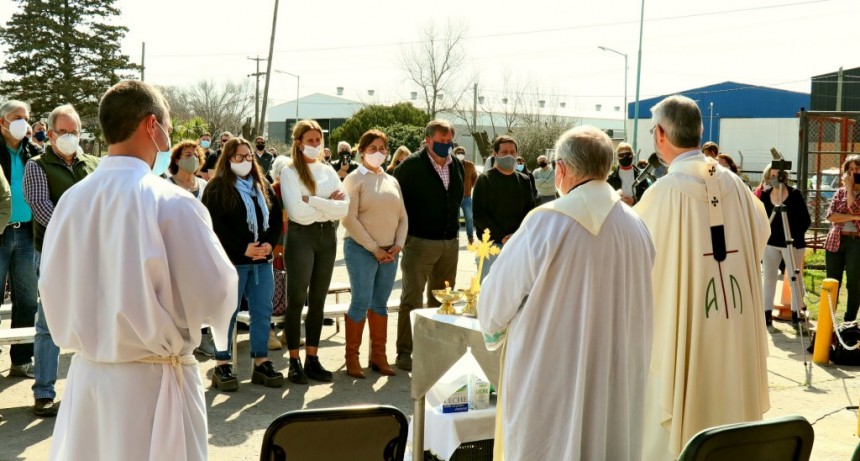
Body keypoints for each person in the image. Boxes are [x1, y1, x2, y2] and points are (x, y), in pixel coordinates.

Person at [39, 80, 237, 461]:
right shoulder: (171, 202)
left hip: (89, 383)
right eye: (167, 125)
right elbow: (217, 293)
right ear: (152, 126)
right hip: (153, 384)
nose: (170, 136)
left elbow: (52, 287)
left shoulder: (71, 201)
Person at [478, 126, 655, 460]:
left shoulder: (545, 223)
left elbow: (493, 308)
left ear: (560, 169)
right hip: (616, 378)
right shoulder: (637, 225)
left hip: (551, 377)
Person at [635, 95, 770, 460]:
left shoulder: (662, 194)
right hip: (734, 320)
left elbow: (637, 266)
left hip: (684, 327)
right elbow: (761, 233)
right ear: (699, 132)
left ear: (660, 134)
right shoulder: (737, 186)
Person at [23, 104, 99, 417]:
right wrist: (76, 235)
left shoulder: (94, 164)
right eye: (63, 132)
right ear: (50, 134)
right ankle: (44, 391)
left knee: (95, 320)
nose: (69, 137)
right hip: (54, 254)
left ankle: (92, 391)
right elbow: (41, 207)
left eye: (74, 132)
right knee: (49, 323)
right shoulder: (37, 165)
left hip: (93, 256)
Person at [203, 137, 284, 391]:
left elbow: (275, 219)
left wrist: (269, 245)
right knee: (227, 313)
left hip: (262, 262)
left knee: (262, 312)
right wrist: (242, 248)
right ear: (228, 159)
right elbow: (213, 227)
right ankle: (222, 364)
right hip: (232, 263)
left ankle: (261, 362)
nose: (245, 161)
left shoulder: (263, 187)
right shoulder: (216, 188)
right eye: (239, 157)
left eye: (249, 156)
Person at [392, 119, 464, 371]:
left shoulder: (457, 165)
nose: (446, 146)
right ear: (427, 141)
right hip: (419, 242)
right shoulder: (409, 167)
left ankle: (435, 348)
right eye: (441, 141)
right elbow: (397, 206)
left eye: (449, 141)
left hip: (449, 242)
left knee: (443, 299)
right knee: (412, 298)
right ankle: (405, 352)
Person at [280, 120, 349, 383]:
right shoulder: (290, 172)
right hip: (301, 237)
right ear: (298, 142)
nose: (316, 145)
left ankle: (312, 358)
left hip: (327, 236)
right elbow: (298, 213)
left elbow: (343, 208)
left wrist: (314, 202)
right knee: (297, 299)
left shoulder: (328, 170)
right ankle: (294, 361)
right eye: (310, 140)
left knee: (319, 300)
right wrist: (327, 205)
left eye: (318, 140)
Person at [341, 129, 406, 378]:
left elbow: (403, 217)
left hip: (390, 252)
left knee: (380, 304)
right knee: (360, 302)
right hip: (361, 250)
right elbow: (349, 219)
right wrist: (374, 248)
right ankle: (352, 359)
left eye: (382, 149)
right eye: (372, 149)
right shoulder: (354, 179)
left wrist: (398, 245)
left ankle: (379, 356)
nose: (378, 153)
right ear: (361, 151)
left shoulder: (392, 180)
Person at [0, 100, 41, 380]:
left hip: (27, 233)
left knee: (27, 300)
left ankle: (21, 361)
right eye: (18, 117)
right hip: (0, 233)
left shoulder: (33, 152)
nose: (24, 123)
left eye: (26, 118)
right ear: (2, 121)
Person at [473, 135, 536, 281]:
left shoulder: (524, 180)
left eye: (512, 152)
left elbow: (530, 212)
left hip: (518, 244)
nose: (509, 155)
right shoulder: (485, 179)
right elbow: (479, 214)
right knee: (487, 291)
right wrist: (502, 236)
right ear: (495, 154)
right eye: (504, 152)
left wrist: (516, 236)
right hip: (492, 246)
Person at [757, 165, 811, 329]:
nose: (774, 179)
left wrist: (793, 236)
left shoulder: (794, 195)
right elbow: (760, 220)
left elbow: (805, 220)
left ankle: (796, 313)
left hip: (792, 243)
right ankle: (766, 313)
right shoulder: (765, 196)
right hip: (771, 243)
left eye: (777, 175)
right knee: (769, 277)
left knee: (795, 278)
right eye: (771, 176)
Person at [824, 155, 860, 322]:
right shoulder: (839, 192)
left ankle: (849, 324)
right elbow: (830, 216)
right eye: (850, 169)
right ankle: (827, 324)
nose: (853, 173)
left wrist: (850, 188)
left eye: (857, 169)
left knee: (854, 283)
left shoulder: (849, 190)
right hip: (835, 241)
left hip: (856, 242)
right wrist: (854, 217)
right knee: (832, 283)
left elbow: (853, 207)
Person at [607, 142, 650, 206]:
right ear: (617, 157)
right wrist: (618, 200)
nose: (625, 157)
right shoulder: (611, 178)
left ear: (633, 155)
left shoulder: (641, 176)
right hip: (618, 212)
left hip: (637, 212)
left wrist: (635, 199)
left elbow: (647, 194)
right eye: (621, 155)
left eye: (628, 154)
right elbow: (606, 197)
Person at [454, 146, 479, 245]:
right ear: (455, 154)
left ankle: (470, 238)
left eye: (462, 152)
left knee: (469, 218)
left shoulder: (470, 165)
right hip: (455, 198)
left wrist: (469, 187)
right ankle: (455, 238)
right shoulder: (451, 164)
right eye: (458, 152)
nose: (460, 154)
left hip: (466, 197)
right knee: (454, 219)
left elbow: (475, 178)